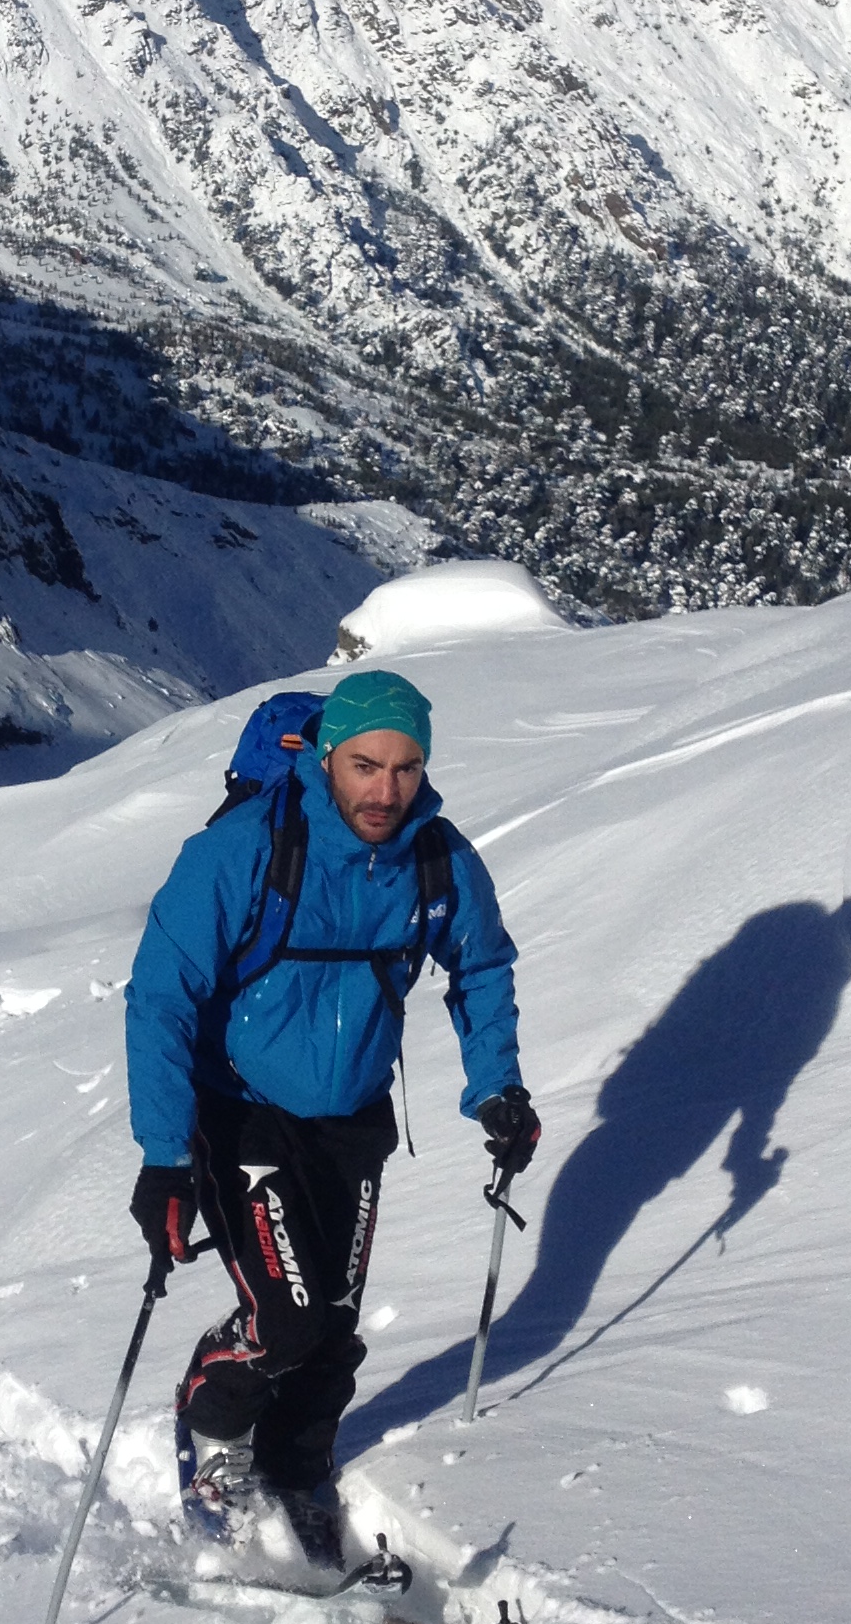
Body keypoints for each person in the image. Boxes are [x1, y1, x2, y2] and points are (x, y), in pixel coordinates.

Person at [123, 668, 540, 1567]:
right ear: (325, 757)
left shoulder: (436, 857)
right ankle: (212, 1418)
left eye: (404, 767)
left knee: (335, 1323)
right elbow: (161, 997)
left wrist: (497, 1087)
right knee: (289, 1317)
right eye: (363, 765)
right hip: (242, 1113)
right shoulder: (242, 852)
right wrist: (165, 1157)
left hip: (352, 1114)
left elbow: (481, 966)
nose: (385, 790)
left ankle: (296, 1457)